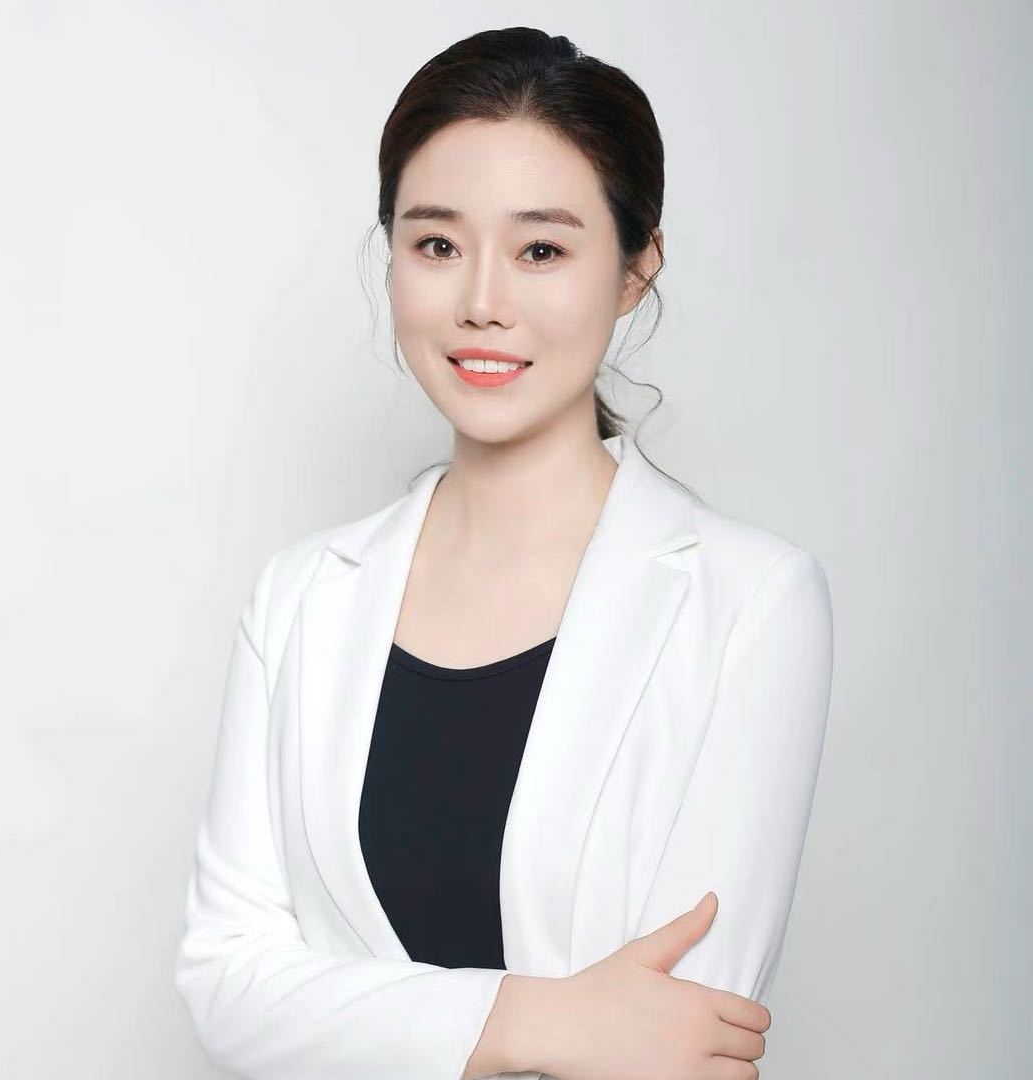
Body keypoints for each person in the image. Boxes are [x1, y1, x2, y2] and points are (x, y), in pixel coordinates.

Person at [174, 26, 834, 1080]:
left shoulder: (750, 601)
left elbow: (685, 1035)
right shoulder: (299, 597)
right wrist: (538, 1019)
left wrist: (362, 1016)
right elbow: (225, 984)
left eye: (542, 251)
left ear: (635, 268)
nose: (482, 302)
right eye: (437, 245)